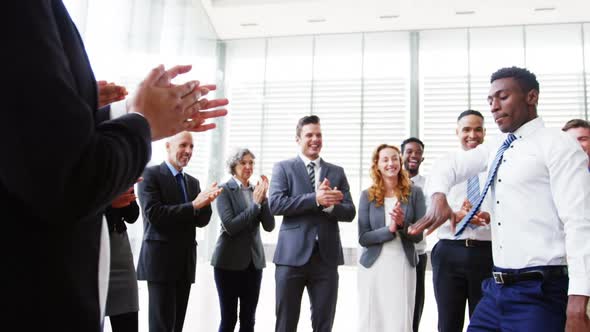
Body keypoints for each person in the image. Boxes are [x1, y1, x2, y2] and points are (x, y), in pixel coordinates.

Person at [2, 2, 227, 331]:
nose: (188, 151)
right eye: (184, 144)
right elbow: (68, 176)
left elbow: (38, 135)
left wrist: (119, 111)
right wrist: (141, 121)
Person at [410, 66, 590, 331]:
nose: (494, 107)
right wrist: (438, 196)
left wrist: (578, 301)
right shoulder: (498, 145)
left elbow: (580, 222)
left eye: (503, 97)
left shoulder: (558, 144)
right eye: (490, 100)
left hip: (540, 290)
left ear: (531, 97)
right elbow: (449, 165)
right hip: (496, 290)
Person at [269, 115, 356, 332]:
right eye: (309, 135)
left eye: (319, 134)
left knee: (323, 323)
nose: (315, 139)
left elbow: (350, 211)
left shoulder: (337, 172)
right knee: (286, 322)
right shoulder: (283, 168)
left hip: (326, 259)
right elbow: (276, 204)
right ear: (298, 139)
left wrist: (329, 205)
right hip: (291, 258)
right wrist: (315, 199)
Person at [137, 131, 223, 332]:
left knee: (177, 326)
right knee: (161, 326)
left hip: (184, 263)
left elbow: (201, 221)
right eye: (183, 145)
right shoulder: (151, 175)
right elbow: (154, 214)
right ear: (168, 146)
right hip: (161, 263)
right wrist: (194, 204)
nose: (188, 151)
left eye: (191, 147)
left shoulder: (192, 182)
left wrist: (206, 202)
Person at [430, 110, 493, 332]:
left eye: (477, 129)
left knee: (485, 322)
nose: (472, 135)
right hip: (450, 252)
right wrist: (456, 215)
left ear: (485, 132)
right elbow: (432, 209)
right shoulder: (445, 165)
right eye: (466, 129)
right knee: (448, 323)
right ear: (457, 132)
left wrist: (488, 217)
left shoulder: (496, 165)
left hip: (486, 253)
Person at [357, 144, 426, 331]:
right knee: (373, 318)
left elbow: (419, 236)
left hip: (402, 263)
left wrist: (403, 225)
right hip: (374, 266)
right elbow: (363, 237)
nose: (391, 163)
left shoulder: (415, 193)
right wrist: (390, 229)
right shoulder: (367, 196)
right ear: (377, 165)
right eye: (385, 159)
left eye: (395, 158)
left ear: (400, 161)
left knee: (400, 318)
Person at [211, 148, 275, 332]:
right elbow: (231, 226)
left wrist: (264, 200)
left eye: (251, 163)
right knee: (229, 319)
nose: (248, 166)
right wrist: (255, 205)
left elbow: (269, 226)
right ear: (234, 166)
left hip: (253, 264)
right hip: (227, 263)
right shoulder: (224, 190)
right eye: (243, 163)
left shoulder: (257, 191)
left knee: (249, 320)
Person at [105, 184, 141, 332]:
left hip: (120, 250)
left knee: (128, 318)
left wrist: (129, 193)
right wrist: (110, 205)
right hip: (88, 249)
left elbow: (132, 216)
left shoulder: (120, 170)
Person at [400, 137, 427, 332]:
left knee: (415, 307)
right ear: (401, 155)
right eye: (409, 151)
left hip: (417, 254)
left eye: (418, 152)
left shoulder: (429, 185)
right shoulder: (389, 182)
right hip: (392, 253)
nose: (414, 155)